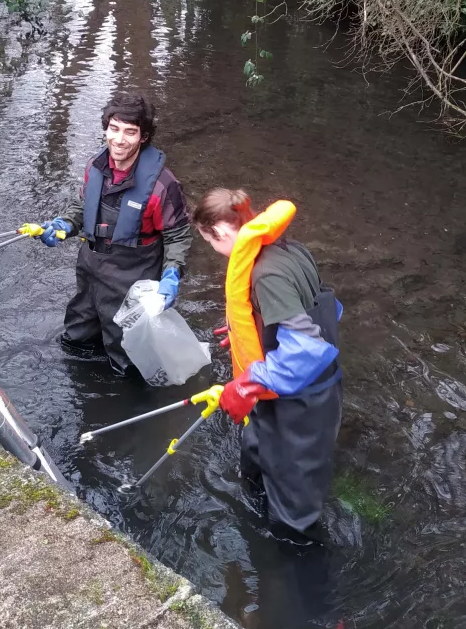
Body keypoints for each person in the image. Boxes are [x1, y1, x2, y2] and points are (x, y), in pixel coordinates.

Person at [192, 188, 343, 541]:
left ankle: (298, 564)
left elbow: (307, 349)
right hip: (277, 392)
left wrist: (246, 383)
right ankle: (256, 514)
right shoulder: (290, 248)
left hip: (303, 401)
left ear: (223, 232)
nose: (215, 251)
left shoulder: (266, 275)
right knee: (256, 459)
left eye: (209, 242)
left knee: (294, 510)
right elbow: (325, 309)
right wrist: (252, 337)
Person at [29, 93, 191, 375]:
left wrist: (172, 272)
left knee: (125, 353)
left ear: (143, 137)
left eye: (130, 132)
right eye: (114, 129)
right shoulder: (95, 167)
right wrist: (65, 225)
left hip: (132, 272)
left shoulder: (163, 185)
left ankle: (128, 399)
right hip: (90, 267)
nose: (119, 139)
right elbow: (82, 205)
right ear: (105, 128)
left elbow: (178, 234)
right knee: (77, 336)